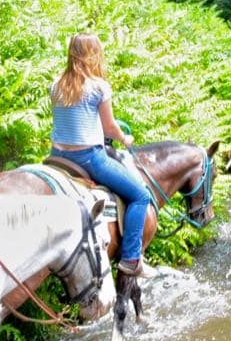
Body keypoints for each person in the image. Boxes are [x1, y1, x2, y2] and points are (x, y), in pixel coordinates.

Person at [49, 32, 154, 277]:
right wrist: (124, 139)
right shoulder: (98, 87)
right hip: (88, 158)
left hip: (56, 156)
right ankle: (131, 258)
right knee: (140, 195)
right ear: (93, 54)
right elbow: (109, 128)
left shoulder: (55, 85)